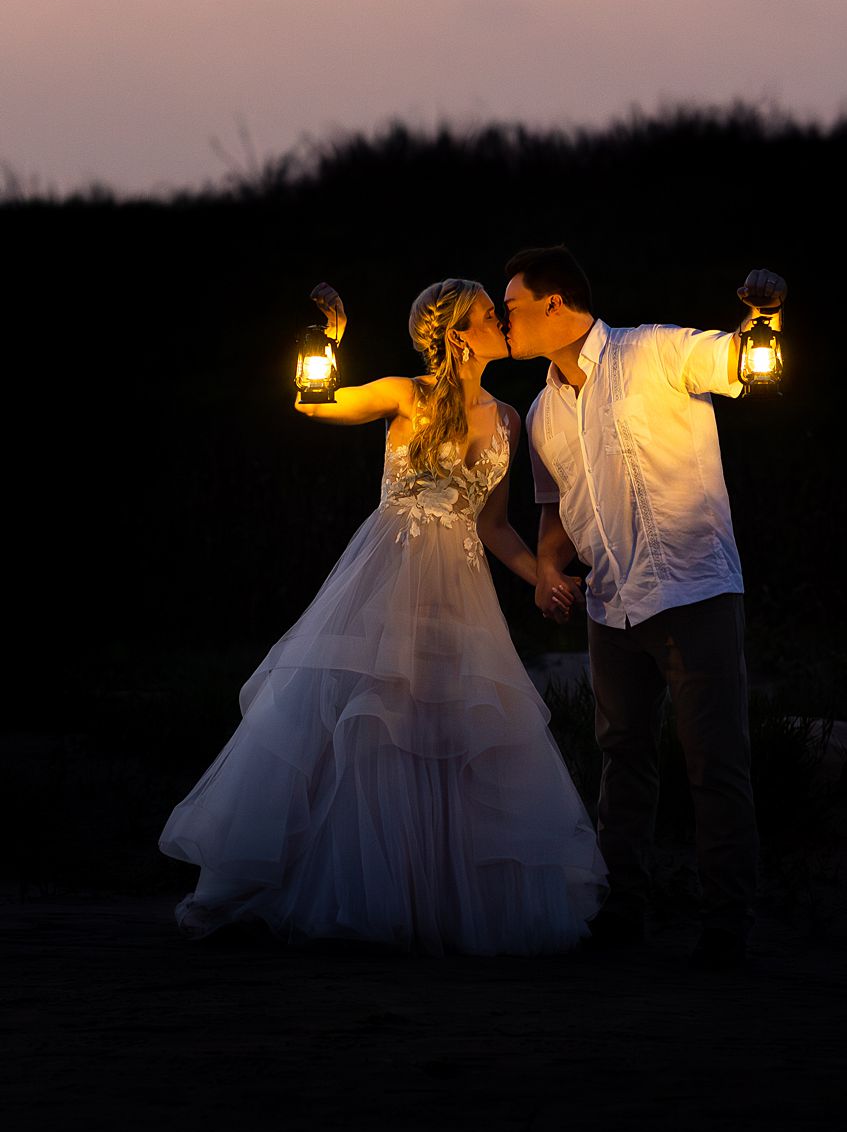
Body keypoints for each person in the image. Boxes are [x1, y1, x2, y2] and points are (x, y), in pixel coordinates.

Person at [159, 280, 605, 954]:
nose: (499, 323)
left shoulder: (510, 418)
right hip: (389, 571)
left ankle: (433, 895)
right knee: (371, 717)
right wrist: (326, 348)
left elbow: (495, 527)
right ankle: (337, 888)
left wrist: (541, 574)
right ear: (458, 333)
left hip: (460, 589)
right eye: (488, 315)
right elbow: (316, 405)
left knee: (447, 723)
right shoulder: (408, 394)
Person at [499, 246, 784, 968]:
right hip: (608, 605)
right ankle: (622, 908)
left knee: (714, 762)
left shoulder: (655, 351)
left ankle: (726, 925)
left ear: (555, 304)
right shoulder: (540, 413)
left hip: (694, 590)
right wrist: (547, 573)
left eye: (513, 308)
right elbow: (556, 513)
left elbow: (747, 364)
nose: (505, 322)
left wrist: (764, 317)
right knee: (621, 760)